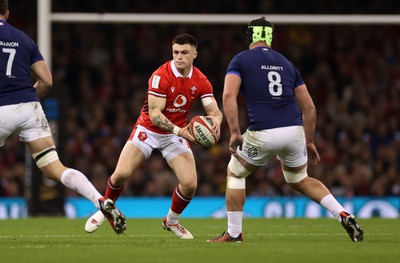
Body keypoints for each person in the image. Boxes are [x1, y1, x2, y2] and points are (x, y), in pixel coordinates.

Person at [207, 17, 364, 242]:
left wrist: (234, 131)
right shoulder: (286, 63)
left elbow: (229, 95)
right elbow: (309, 108)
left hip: (263, 131)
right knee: (299, 178)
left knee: (236, 173)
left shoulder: (241, 59)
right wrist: (309, 141)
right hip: (294, 132)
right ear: (270, 37)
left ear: (250, 35)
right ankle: (341, 213)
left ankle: (234, 233)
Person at [0, 0, 126, 234]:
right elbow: (46, 80)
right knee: (54, 168)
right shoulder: (24, 39)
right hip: (29, 106)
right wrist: (26, 102)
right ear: (7, 13)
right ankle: (99, 200)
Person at [85, 33, 223, 239]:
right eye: (175, 52)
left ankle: (172, 221)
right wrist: (180, 131)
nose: (179, 57)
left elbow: (214, 110)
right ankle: (106, 208)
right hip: (148, 130)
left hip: (174, 136)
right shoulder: (161, 76)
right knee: (121, 174)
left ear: (195, 53)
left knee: (190, 184)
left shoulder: (201, 80)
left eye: (184, 52)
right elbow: (155, 114)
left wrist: (217, 121)